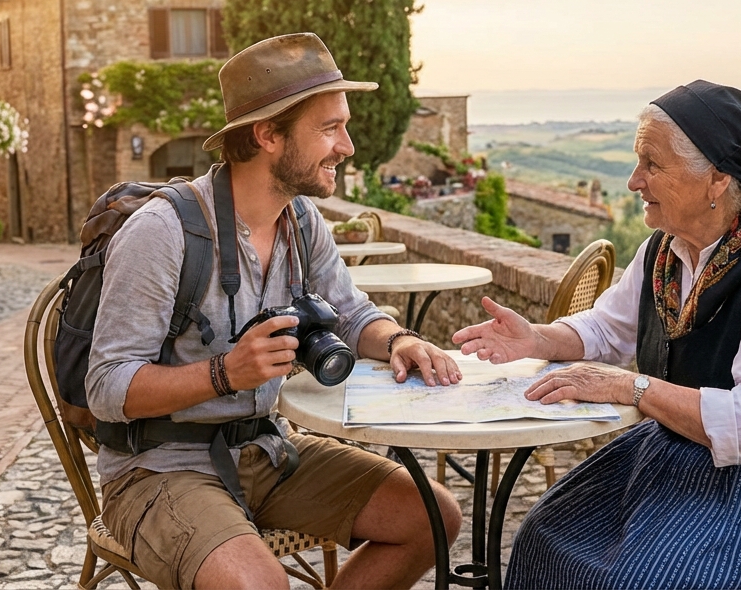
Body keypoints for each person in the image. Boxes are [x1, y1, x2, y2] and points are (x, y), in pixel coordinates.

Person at [453, 80, 741, 590]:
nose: (633, 181)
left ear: (716, 178)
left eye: (652, 164)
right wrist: (537, 339)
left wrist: (632, 389)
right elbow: (609, 326)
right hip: (690, 464)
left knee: (635, 582)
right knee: (545, 536)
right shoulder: (666, 253)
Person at [86, 32, 463, 590]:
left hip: (264, 447)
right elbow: (107, 387)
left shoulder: (301, 220)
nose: (348, 145)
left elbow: (351, 313)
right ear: (267, 134)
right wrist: (225, 373)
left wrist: (399, 340)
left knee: (433, 517)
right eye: (330, 128)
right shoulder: (162, 232)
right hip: (158, 467)